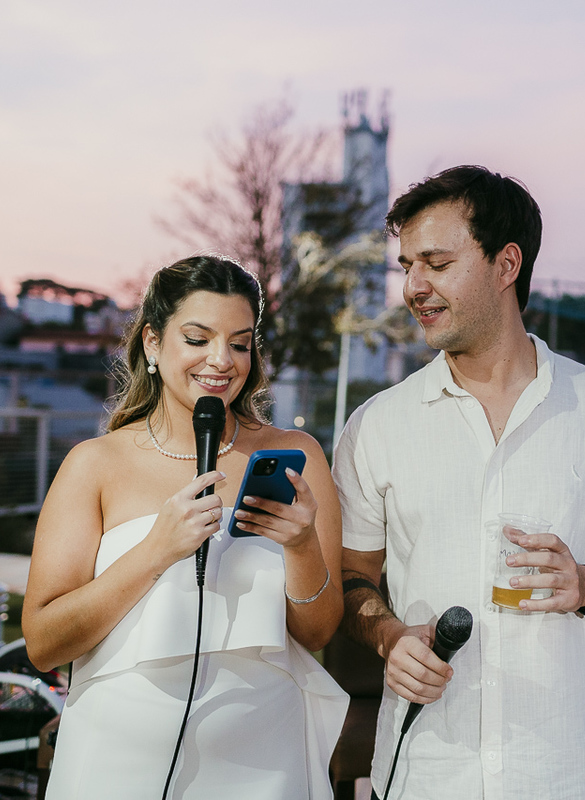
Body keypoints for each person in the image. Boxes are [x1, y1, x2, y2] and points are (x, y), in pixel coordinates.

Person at [334, 166, 585, 800]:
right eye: (407, 266)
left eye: (437, 264)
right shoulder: (375, 425)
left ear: (506, 264)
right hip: (428, 777)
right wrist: (390, 637)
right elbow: (350, 576)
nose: (413, 287)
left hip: (581, 778)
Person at [24, 255, 348, 799]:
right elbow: (43, 644)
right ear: (153, 343)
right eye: (198, 338)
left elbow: (317, 634)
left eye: (240, 344)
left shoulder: (297, 455)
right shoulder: (94, 465)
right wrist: (155, 551)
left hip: (264, 764)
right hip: (115, 767)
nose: (221, 360)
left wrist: (300, 546)